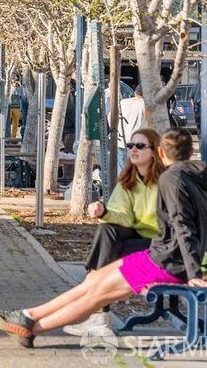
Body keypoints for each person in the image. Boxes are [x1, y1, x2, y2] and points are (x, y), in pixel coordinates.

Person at [0, 127, 207, 348]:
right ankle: (27, 317)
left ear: (161, 151)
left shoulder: (170, 179)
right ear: (191, 151)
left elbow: (183, 227)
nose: (134, 149)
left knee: (98, 293)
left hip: (166, 263)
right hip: (159, 256)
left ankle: (31, 325)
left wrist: (194, 275)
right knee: (94, 281)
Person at [64, 127, 165, 337]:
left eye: (140, 146)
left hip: (160, 244)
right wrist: (105, 211)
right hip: (137, 240)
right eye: (131, 146)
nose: (133, 150)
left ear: (154, 151)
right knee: (107, 230)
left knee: (110, 248)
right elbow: (124, 217)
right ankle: (99, 315)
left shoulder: (165, 182)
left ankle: (98, 309)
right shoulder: (129, 179)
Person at [117, 87, 148, 151]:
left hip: (121, 141)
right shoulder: (146, 106)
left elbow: (110, 118)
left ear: (135, 92)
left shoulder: (122, 102)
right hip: (139, 143)